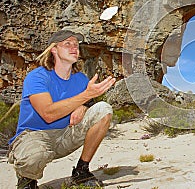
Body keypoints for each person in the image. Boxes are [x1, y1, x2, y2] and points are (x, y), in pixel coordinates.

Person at [7, 29, 116, 189]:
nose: (74, 48)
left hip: (66, 134)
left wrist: (84, 105)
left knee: (103, 109)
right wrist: (85, 96)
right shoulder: (37, 77)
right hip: (34, 136)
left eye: (76, 45)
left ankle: (81, 171)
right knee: (35, 156)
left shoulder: (80, 79)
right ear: (54, 49)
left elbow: (90, 103)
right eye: (67, 44)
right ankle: (27, 180)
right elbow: (48, 114)